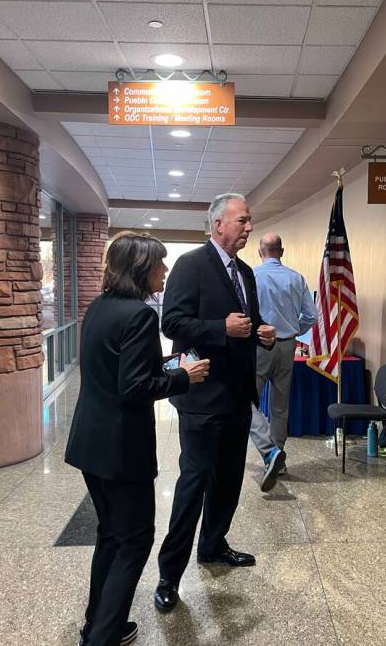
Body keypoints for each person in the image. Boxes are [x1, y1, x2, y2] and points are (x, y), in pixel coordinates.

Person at [65, 232, 210, 646]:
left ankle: (97, 622)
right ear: (142, 269)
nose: (165, 272)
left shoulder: (100, 307)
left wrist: (164, 362)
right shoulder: (141, 315)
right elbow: (135, 387)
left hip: (90, 443)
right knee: (134, 540)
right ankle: (103, 636)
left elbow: (119, 366)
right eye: (160, 265)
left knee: (110, 534)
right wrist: (184, 376)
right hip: (121, 449)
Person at [153, 193, 276, 612]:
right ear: (218, 223)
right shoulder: (190, 266)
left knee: (228, 481)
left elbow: (248, 320)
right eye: (242, 220)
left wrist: (261, 330)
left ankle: (213, 544)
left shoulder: (245, 272)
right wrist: (221, 329)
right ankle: (169, 573)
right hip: (203, 398)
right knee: (193, 484)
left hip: (238, 396)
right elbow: (172, 323)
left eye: (250, 221)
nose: (249, 227)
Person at [248, 233, 316, 491]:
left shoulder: (251, 276)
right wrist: (292, 330)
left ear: (260, 252)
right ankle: (278, 455)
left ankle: (268, 452)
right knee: (280, 404)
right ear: (282, 251)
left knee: (247, 400)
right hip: (288, 346)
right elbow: (311, 316)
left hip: (259, 345)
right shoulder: (296, 278)